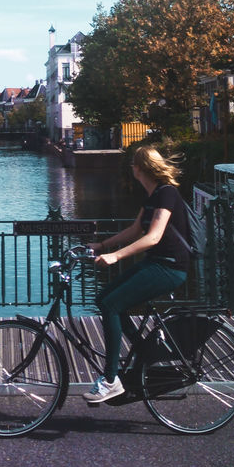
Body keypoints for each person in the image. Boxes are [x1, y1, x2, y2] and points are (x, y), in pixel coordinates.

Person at [83, 145, 192, 404]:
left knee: (111, 304)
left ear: (141, 168)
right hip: (156, 262)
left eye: (133, 164)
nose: (131, 168)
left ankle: (110, 381)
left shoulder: (167, 194)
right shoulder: (152, 196)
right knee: (104, 298)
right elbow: (134, 231)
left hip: (170, 266)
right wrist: (102, 246)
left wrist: (116, 256)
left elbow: (153, 236)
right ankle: (144, 353)